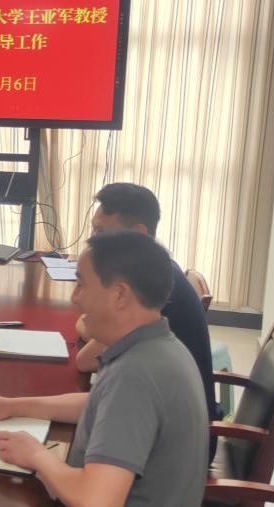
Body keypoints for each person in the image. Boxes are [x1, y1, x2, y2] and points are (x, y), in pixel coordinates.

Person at [0, 231, 208, 506]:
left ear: (120, 295)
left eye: (81, 285)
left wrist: (37, 456)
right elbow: (98, 403)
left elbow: (96, 500)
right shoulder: (160, 347)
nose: (75, 297)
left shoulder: (136, 375)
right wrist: (12, 406)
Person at [75, 183, 223, 435]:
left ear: (138, 234)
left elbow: (85, 359)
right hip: (167, 416)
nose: (92, 242)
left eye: (101, 232)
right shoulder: (160, 270)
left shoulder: (149, 290)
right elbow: (94, 334)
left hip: (174, 434)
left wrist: (86, 324)